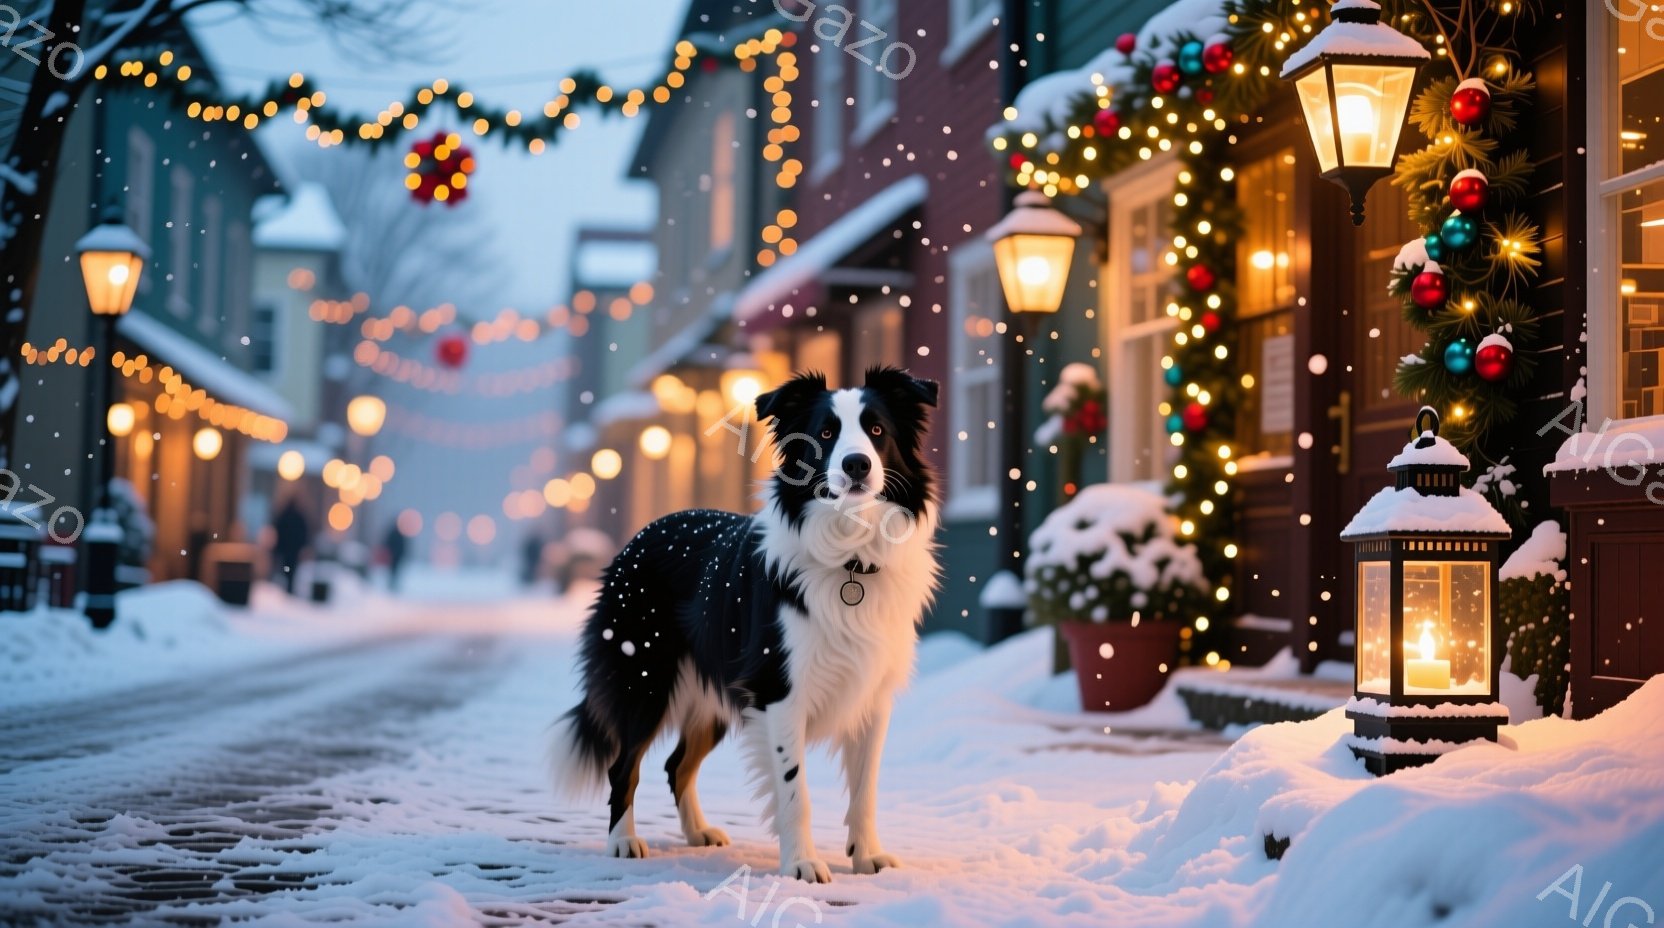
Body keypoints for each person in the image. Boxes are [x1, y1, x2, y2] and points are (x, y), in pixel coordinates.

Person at [272, 496, 312, 595]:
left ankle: (287, 583)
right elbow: (304, 533)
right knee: (291, 568)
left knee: (287, 567)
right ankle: (289, 584)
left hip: (286, 549)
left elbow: (278, 529)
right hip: (294, 550)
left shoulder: (284, 515)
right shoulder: (298, 517)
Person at [384, 522, 408, 592]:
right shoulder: (397, 534)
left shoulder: (397, 534)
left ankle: (392, 584)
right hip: (394, 556)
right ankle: (391, 584)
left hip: (396, 556)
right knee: (393, 571)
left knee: (394, 571)